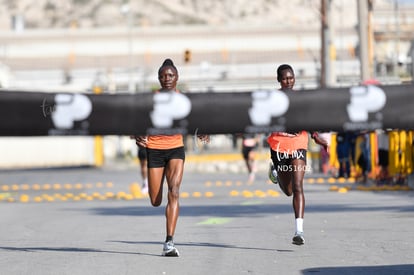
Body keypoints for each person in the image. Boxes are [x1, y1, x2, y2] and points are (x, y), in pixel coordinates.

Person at [135, 58, 208, 257]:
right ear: (159, 79)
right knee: (155, 200)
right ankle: (168, 236)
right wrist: (136, 135)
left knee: (174, 191)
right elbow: (134, 122)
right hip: (155, 150)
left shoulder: (183, 100)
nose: (167, 78)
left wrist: (202, 130)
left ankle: (169, 241)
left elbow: (193, 119)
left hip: (176, 148)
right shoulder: (151, 100)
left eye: (170, 75)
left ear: (177, 78)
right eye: (163, 76)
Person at [267, 64, 328, 245]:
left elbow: (307, 120)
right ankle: (276, 174)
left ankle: (299, 231)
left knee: (299, 186)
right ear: (278, 80)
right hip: (279, 146)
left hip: (298, 144)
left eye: (291, 78)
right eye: (285, 78)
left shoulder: (300, 98)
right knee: (288, 191)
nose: (288, 81)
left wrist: (315, 136)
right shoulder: (272, 99)